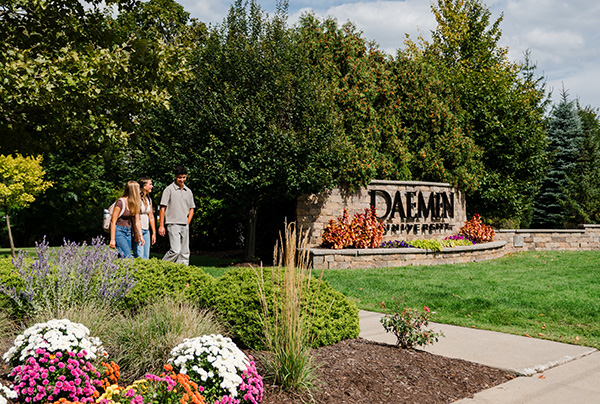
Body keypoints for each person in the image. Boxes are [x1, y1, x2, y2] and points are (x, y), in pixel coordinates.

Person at [158, 166, 195, 265]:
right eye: (179, 177)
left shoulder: (188, 191)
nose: (182, 180)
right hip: (172, 223)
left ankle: (181, 273)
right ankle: (161, 267)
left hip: (184, 224)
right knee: (175, 250)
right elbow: (162, 208)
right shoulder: (169, 190)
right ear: (175, 176)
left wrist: (188, 222)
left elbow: (192, 208)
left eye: (183, 177)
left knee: (185, 252)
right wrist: (161, 226)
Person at [109, 181, 145, 258]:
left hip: (128, 232)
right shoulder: (120, 202)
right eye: (138, 189)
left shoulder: (135, 203)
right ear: (133, 190)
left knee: (122, 256)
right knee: (127, 256)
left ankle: (114, 269)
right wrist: (112, 239)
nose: (140, 191)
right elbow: (113, 221)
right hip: (119, 231)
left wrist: (140, 236)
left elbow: (137, 221)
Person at [133, 177, 156, 259]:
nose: (152, 186)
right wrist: (137, 233)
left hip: (146, 230)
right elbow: (135, 217)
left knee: (146, 256)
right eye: (150, 184)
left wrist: (154, 232)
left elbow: (151, 217)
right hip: (139, 230)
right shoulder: (137, 199)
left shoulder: (149, 199)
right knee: (139, 255)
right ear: (144, 186)